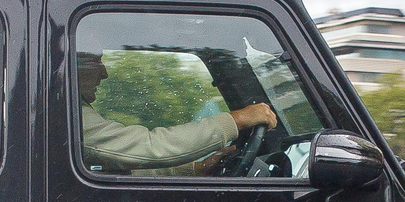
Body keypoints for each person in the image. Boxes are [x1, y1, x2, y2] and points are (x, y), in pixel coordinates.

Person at [77, 51, 277, 172]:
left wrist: (195, 170)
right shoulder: (69, 118)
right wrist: (237, 120)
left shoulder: (70, 111)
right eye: (96, 60)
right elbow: (150, 146)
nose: (104, 73)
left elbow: (113, 170)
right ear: (71, 65)